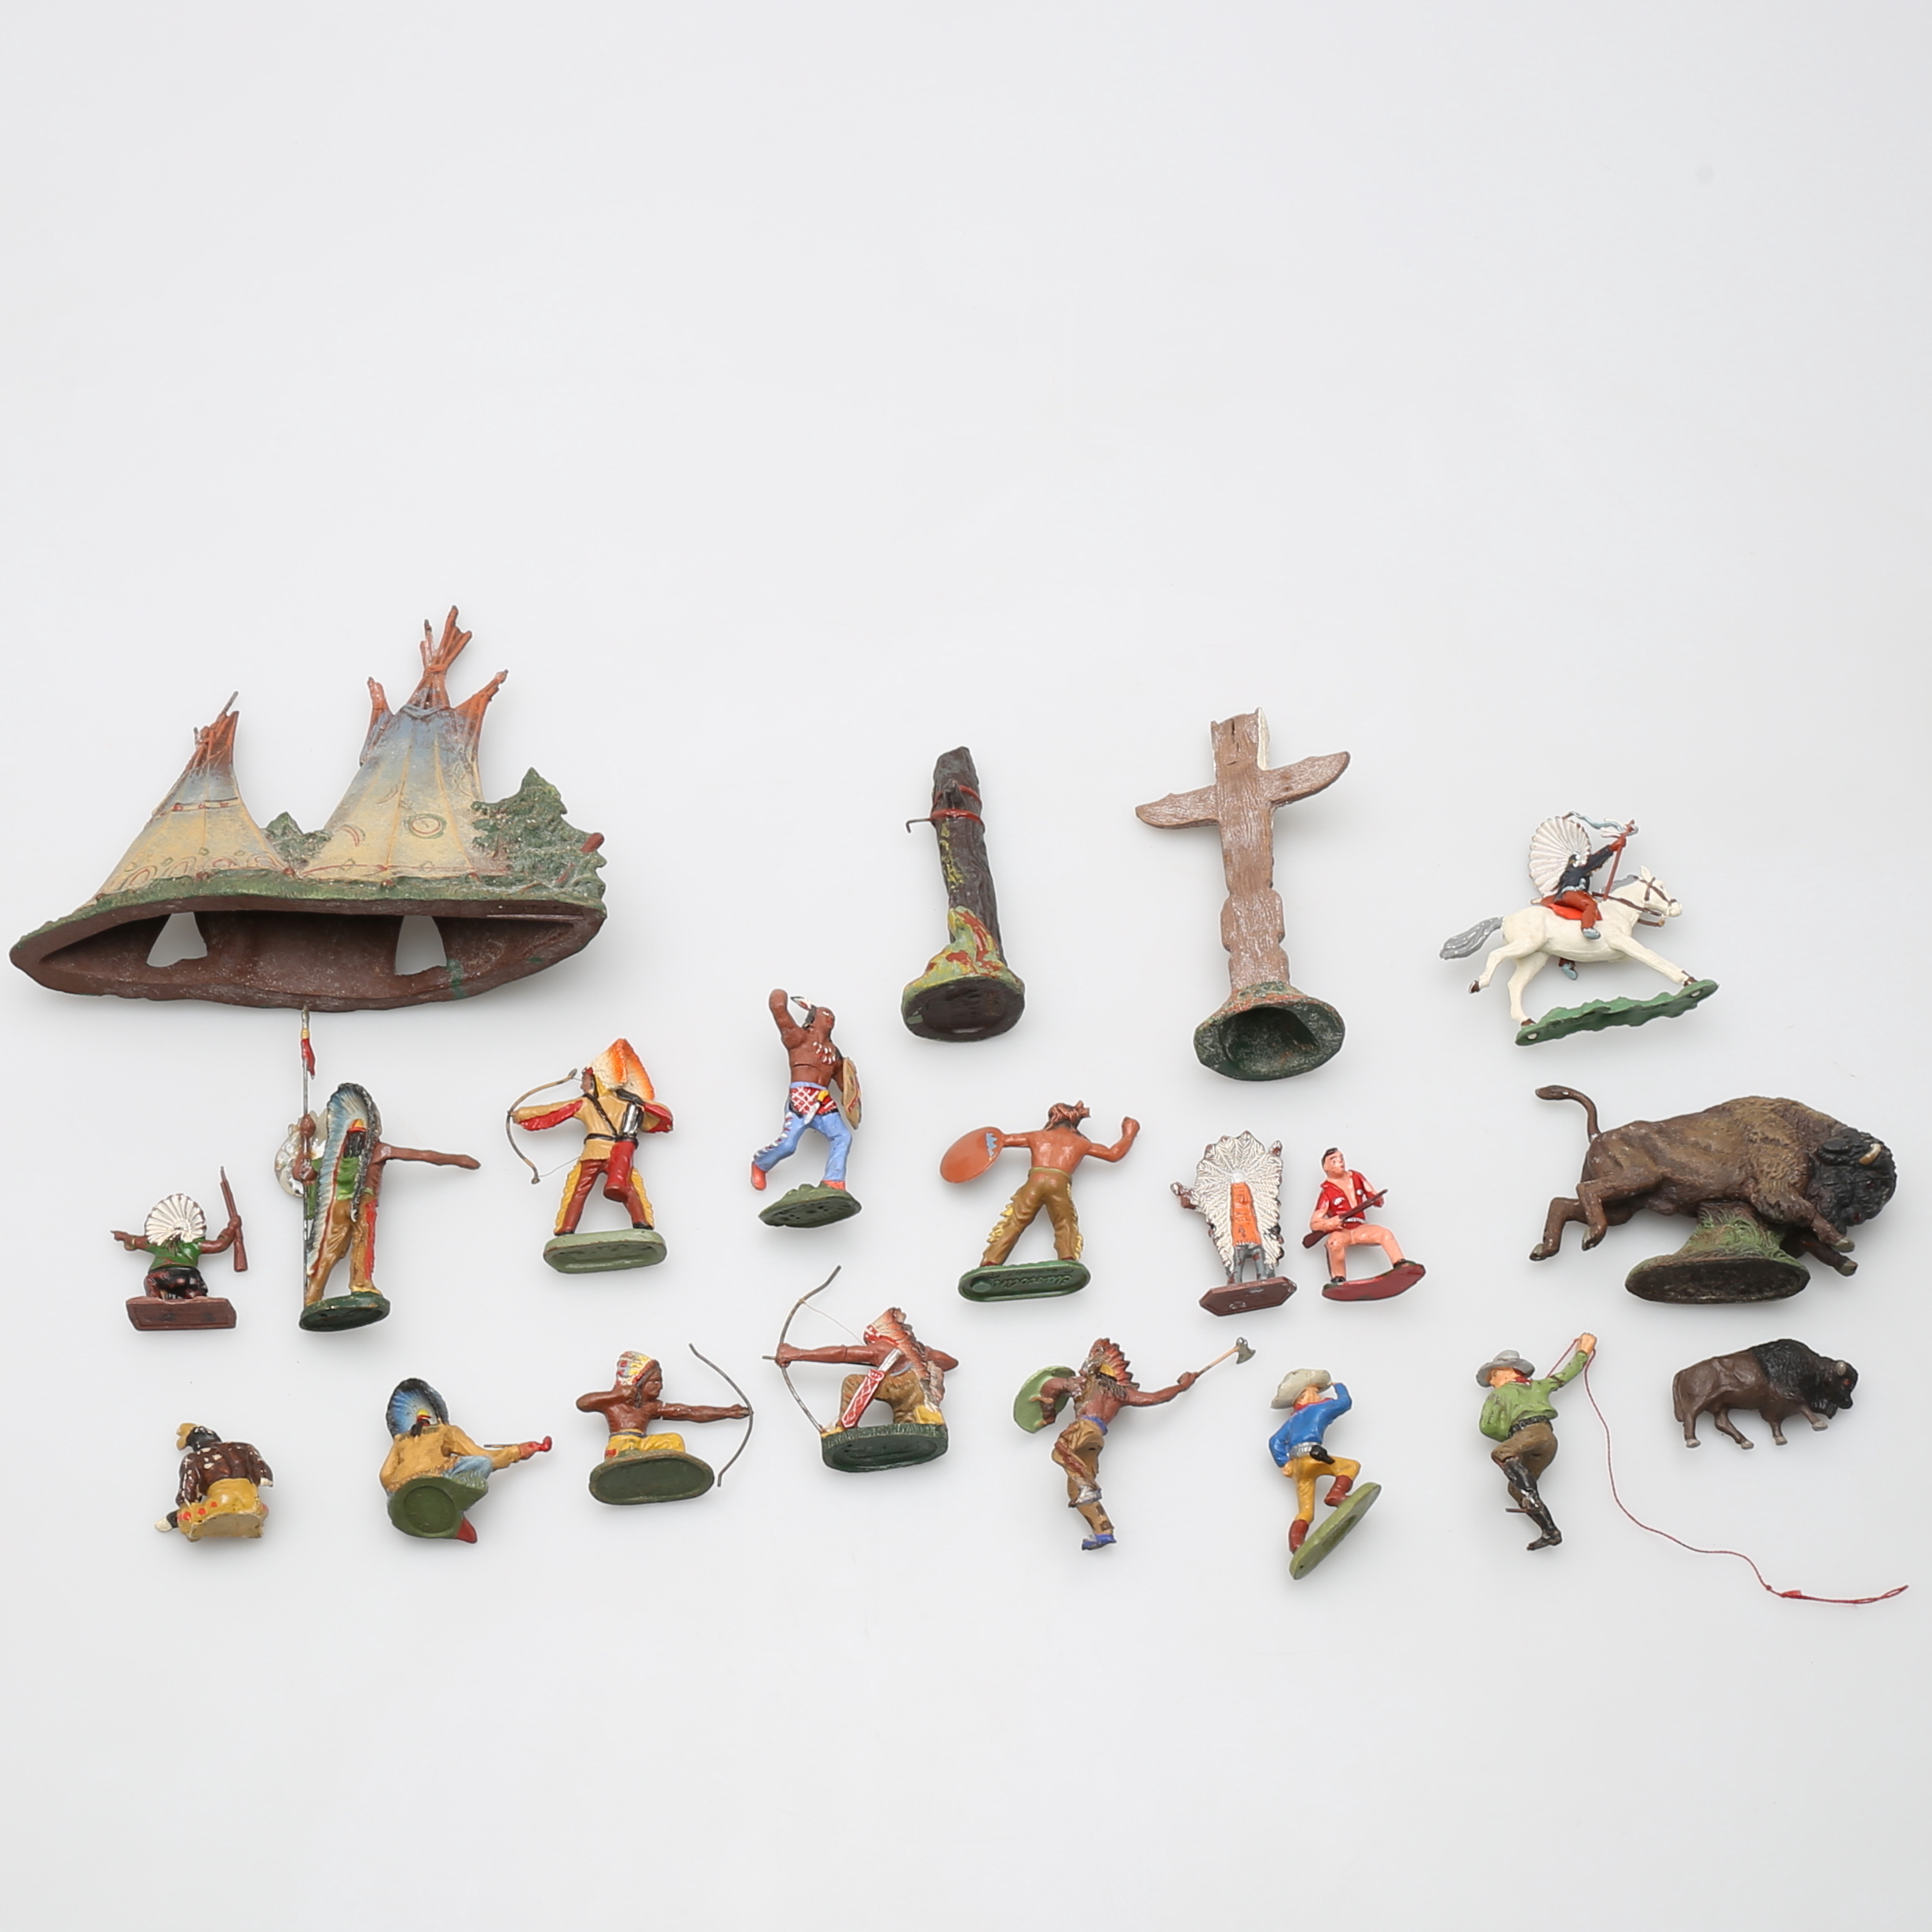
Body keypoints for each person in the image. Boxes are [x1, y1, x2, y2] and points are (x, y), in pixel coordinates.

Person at [1030, 1340, 1197, 1551]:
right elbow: (1155, 1398)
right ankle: (1103, 1532)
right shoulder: (1121, 1393)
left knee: (1061, 1451)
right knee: (1074, 1490)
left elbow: (1051, 1386)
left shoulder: (1084, 1384)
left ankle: (1088, 1486)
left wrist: (1048, 1413)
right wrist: (1181, 1386)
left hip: (1083, 1428)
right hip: (1096, 1438)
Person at [514, 1041, 671, 1236]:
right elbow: (656, 1118)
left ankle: (566, 1229)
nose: (582, 1085)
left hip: (594, 1153)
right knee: (629, 1187)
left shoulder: (586, 1104)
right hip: (621, 1154)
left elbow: (552, 1111)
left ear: (596, 1081)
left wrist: (521, 1114)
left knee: (578, 1190)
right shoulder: (630, 1104)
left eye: (585, 1080)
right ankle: (642, 1224)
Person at [380, 1379, 550, 1543]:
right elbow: (483, 1455)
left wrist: (397, 1486)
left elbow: (385, 1476)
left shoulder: (404, 1439)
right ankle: (451, 1505)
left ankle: (443, 1505)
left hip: (408, 1484)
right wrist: (518, 1451)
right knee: (483, 1463)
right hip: (432, 1476)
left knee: (480, 1464)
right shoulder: (439, 1431)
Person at [979, 1104, 1138, 1268]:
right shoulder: (1081, 1143)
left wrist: (975, 1145)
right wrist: (1129, 1134)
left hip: (1035, 1182)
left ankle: (991, 1261)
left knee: (1015, 1221)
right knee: (1065, 1222)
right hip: (1059, 1184)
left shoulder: (1037, 1136)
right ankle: (1067, 1257)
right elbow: (1113, 1154)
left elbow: (1000, 1140)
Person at [1475, 1337, 1596, 1551]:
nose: (1492, 1382)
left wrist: (1509, 1436)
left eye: (1494, 1375)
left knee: (1502, 1452)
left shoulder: (1500, 1394)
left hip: (1533, 1432)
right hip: (1547, 1441)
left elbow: (1487, 1427)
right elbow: (1564, 1376)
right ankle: (1550, 1531)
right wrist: (1583, 1352)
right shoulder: (1538, 1386)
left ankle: (1531, 1496)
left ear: (1509, 1371)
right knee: (1515, 1489)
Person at [774, 1308, 956, 1439]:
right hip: (918, 1396)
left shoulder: (883, 1346)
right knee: (905, 1418)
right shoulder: (919, 1351)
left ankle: (845, 1429)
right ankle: (920, 1424)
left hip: (903, 1387)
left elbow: (843, 1353)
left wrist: (798, 1353)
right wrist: (923, 1355)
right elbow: (951, 1362)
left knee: (853, 1382)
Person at [750, 990, 854, 1193]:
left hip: (824, 1100)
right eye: (825, 1015)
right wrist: (779, 999)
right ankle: (760, 1164)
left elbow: (845, 1082)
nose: (830, 1019)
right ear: (813, 1020)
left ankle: (834, 1181)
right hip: (802, 1097)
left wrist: (851, 1096)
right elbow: (781, 1015)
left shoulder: (834, 1053)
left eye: (832, 1016)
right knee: (788, 1144)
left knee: (842, 1136)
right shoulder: (799, 1038)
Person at [576, 1350, 748, 1462]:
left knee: (673, 1440)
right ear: (638, 1383)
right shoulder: (615, 1402)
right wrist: (616, 1395)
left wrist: (727, 1412)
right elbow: (583, 1403)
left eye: (660, 1381)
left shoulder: (651, 1407)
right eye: (655, 1381)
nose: (660, 1387)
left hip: (640, 1444)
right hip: (620, 1448)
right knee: (627, 1450)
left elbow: (689, 1412)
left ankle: (663, 1475)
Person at [1268, 1370, 1358, 1555]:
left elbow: (1275, 1441)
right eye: (1314, 1392)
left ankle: (1296, 1544)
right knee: (1351, 1466)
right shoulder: (1319, 1409)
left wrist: (1284, 1462)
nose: (1319, 1396)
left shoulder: (1292, 1421)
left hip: (1298, 1466)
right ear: (1303, 1397)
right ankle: (1336, 1494)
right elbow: (1344, 1403)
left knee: (1306, 1511)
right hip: (1314, 1457)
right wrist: (1340, 1387)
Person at [112, 1195, 240, 1301]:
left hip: (159, 1277)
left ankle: (155, 1303)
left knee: (150, 1282)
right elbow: (219, 1245)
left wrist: (124, 1237)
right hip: (188, 1278)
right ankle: (195, 1301)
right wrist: (232, 1228)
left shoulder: (159, 1244)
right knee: (194, 1295)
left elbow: (135, 1241)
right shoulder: (194, 1244)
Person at [156, 1424, 273, 1540]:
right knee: (258, 1506)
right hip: (251, 1500)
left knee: (189, 1513)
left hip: (220, 1501)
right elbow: (259, 1464)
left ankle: (172, 1521)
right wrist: (264, 1477)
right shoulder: (243, 1447)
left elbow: (188, 1489)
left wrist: (185, 1502)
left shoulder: (194, 1458)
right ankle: (254, 1514)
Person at [1308, 1149, 1404, 1287]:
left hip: (1361, 1227)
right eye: (1334, 1160)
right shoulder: (1327, 1191)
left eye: (1341, 1158)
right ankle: (1338, 1279)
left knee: (1385, 1234)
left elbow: (1373, 1194)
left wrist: (1377, 1200)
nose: (1340, 1162)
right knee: (1334, 1243)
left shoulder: (1357, 1177)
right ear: (1326, 1167)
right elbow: (1315, 1223)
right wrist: (1330, 1223)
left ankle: (1400, 1264)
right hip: (1342, 1231)